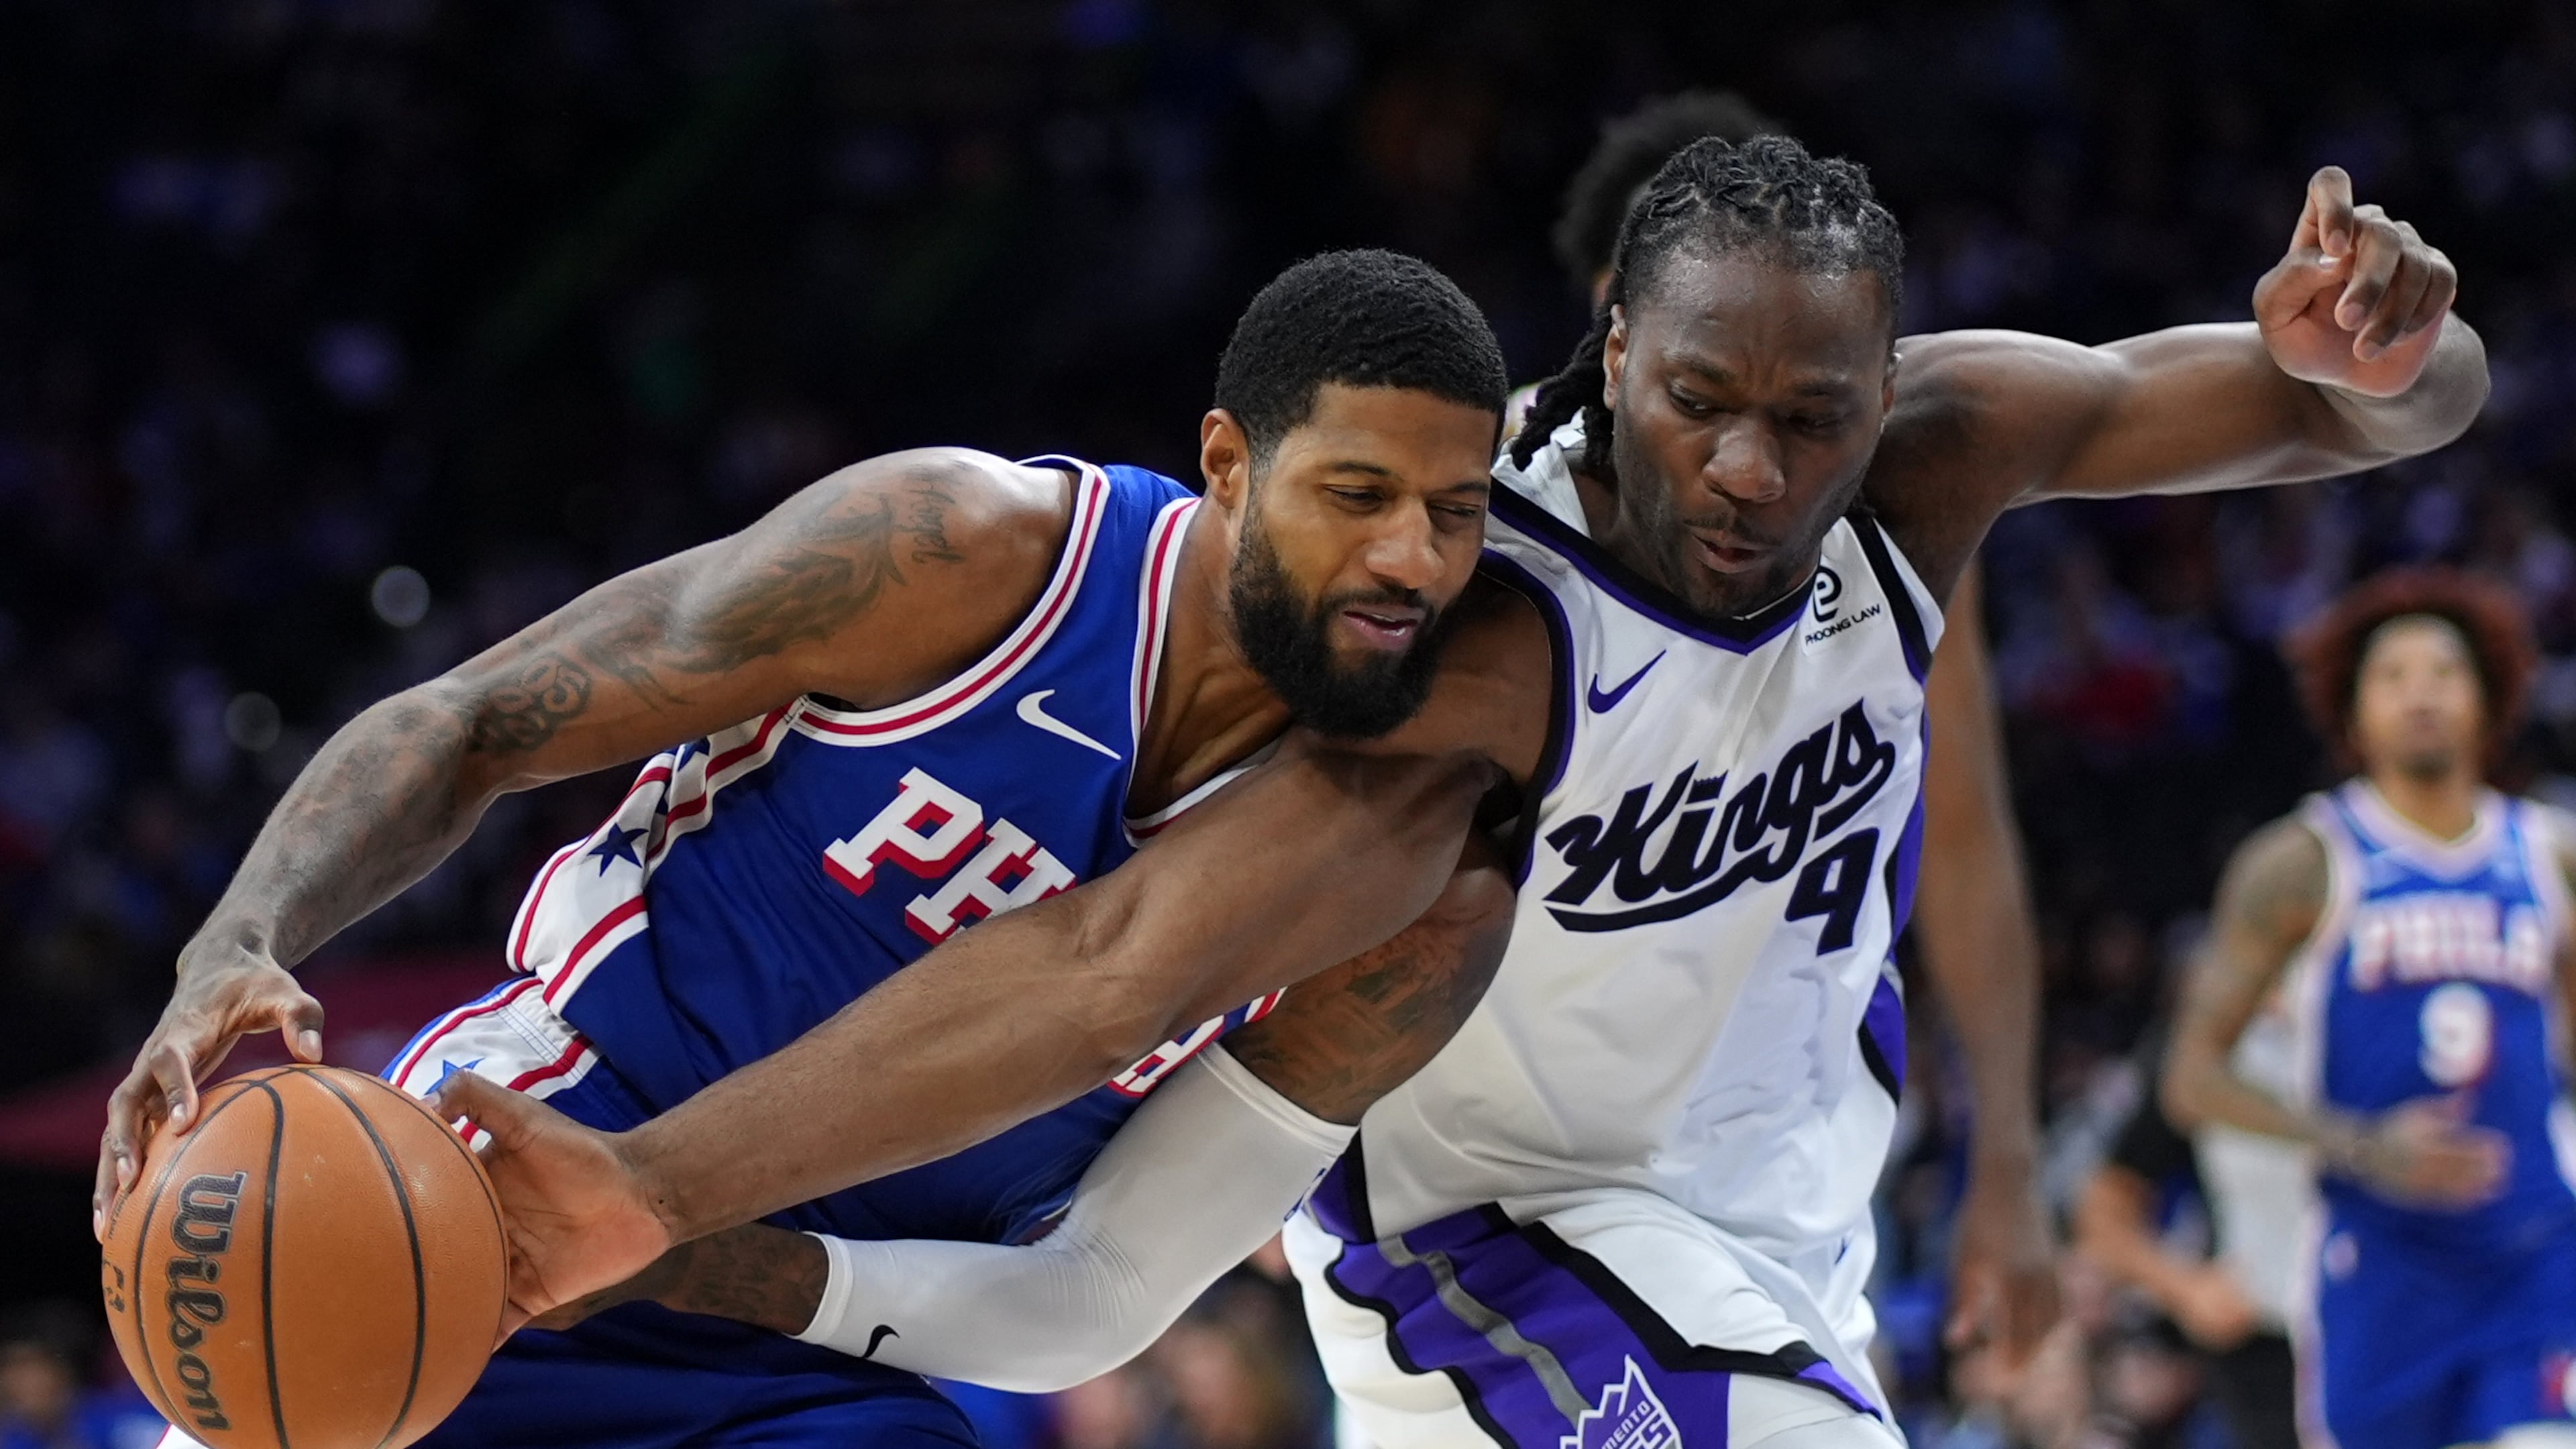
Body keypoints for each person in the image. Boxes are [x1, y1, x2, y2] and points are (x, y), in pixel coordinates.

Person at [376, 136, 2478, 1449]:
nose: (1750, 467)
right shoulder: (1492, 646)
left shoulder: (1936, 452)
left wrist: (2390, 360)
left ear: (1880, 397)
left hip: (1769, 1232)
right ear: (1609, 356)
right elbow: (1104, 963)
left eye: (1806, 418)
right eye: (1699, 403)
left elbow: (2353, 419)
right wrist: (659, 1185)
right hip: (1492, 1244)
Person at [109, 248, 1532, 1446]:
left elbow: (1102, 1287)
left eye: (1454, 515)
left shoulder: (1407, 881)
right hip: (493, 1203)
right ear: (1227, 463)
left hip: (821, 1340)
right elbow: (483, 719)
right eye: (1357, 496)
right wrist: (241, 936)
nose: (1411, 558)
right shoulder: (975, 558)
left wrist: (713, 1263)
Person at [1537, 90, 2056, 1365]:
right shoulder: (1497, 526)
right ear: (1617, 322)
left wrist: (2010, 1158)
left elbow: (1969, 835)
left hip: (1780, 1170)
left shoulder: (1891, 533)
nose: (1743, 442)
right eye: (1704, 373)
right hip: (1509, 1176)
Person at [2163, 570, 2576, 1449]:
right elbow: (2191, 1081)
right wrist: (2360, 1144)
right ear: (2351, 713)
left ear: (2491, 697)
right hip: (2377, 1265)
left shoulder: (2552, 855)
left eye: (2443, 672)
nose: (2420, 693)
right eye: (2393, 676)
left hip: (2530, 1256)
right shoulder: (2303, 862)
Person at [2076, 1030, 2304, 1449]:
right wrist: (2185, 1288)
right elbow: (2104, 1209)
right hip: (2267, 1338)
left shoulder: (2381, 1012)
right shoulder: (2202, 1047)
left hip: (2387, 1314)